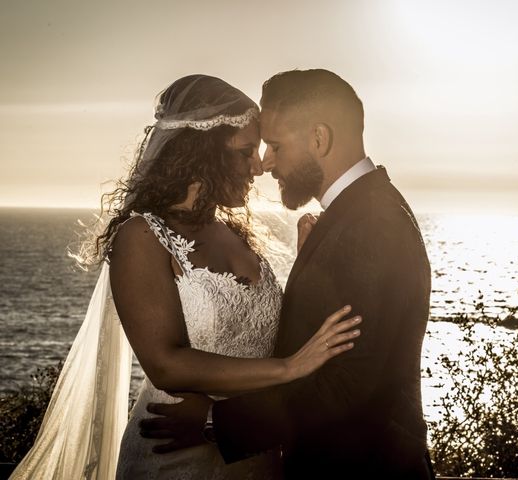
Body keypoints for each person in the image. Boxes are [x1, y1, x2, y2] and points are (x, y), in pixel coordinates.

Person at [9, 74, 361, 480]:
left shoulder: (237, 236)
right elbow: (165, 364)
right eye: (245, 152)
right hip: (173, 456)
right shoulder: (141, 236)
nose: (258, 167)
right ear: (205, 151)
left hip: (250, 452)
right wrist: (288, 369)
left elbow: (268, 334)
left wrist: (308, 266)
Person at [143, 69, 435, 479]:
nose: (265, 162)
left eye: (276, 145)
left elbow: (349, 385)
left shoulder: (371, 224)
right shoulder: (357, 214)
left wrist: (213, 421)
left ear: (319, 138)